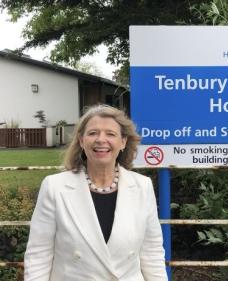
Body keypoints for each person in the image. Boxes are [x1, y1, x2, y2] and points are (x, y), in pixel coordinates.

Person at [24, 104, 167, 281]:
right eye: (93, 133)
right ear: (81, 140)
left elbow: (152, 253)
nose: (101, 140)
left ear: (123, 142)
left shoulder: (142, 187)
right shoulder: (54, 187)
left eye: (110, 134)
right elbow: (38, 255)